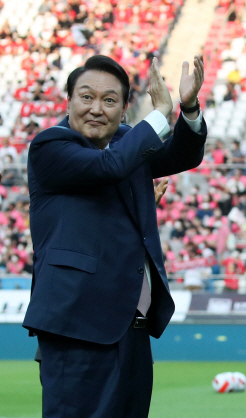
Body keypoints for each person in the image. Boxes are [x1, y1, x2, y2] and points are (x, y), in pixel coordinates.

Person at [23, 54, 207, 418]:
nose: (96, 108)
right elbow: (110, 166)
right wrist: (159, 112)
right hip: (76, 324)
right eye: (86, 97)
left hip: (131, 326)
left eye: (109, 100)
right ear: (69, 101)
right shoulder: (50, 146)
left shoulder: (127, 142)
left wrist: (187, 107)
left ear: (123, 110)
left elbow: (182, 155)